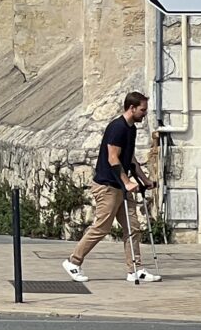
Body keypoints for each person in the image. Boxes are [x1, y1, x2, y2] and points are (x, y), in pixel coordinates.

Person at [63, 91, 161, 285]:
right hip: (108, 186)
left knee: (133, 228)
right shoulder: (117, 128)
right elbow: (113, 158)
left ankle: (136, 269)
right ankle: (73, 262)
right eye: (142, 110)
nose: (145, 114)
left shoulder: (131, 129)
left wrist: (144, 180)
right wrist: (127, 182)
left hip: (122, 187)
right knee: (102, 227)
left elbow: (129, 159)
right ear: (131, 108)